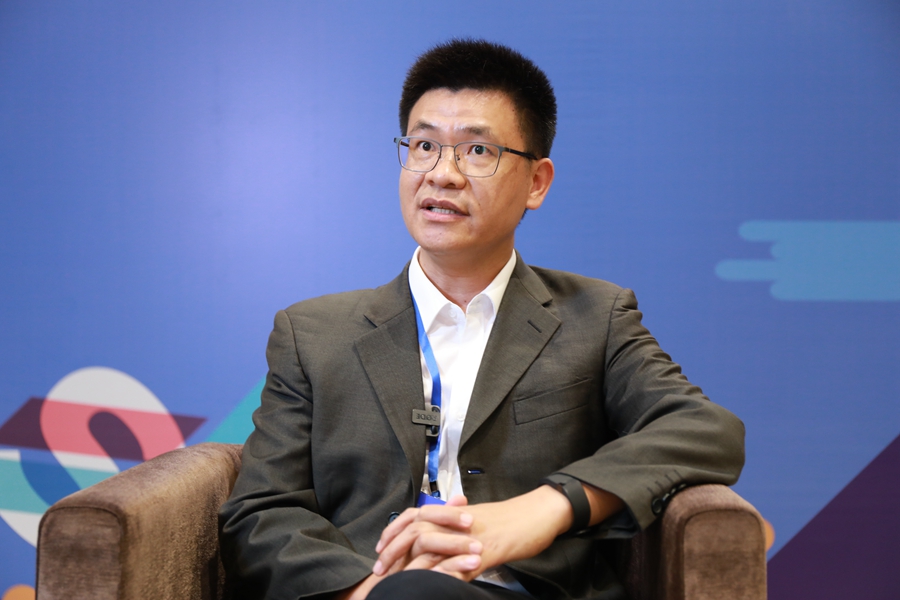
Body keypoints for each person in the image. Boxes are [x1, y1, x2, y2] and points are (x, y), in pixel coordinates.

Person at [219, 39, 745, 600]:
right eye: (424, 145)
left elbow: (704, 431)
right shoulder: (313, 334)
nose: (442, 174)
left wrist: (544, 508)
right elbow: (261, 511)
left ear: (536, 182)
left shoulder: (595, 317)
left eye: (476, 151)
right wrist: (366, 592)